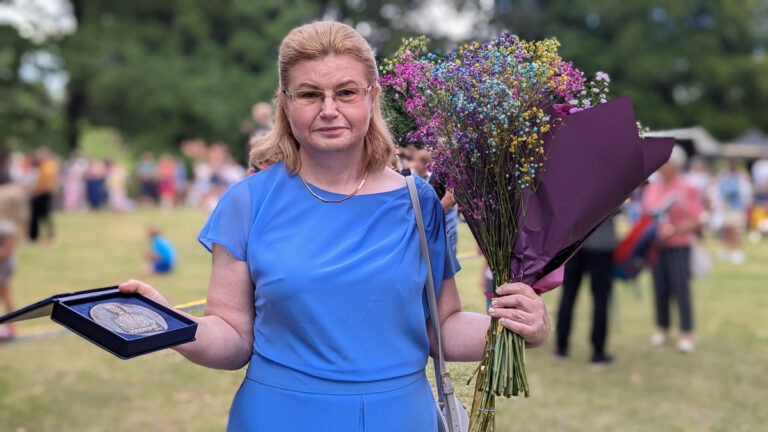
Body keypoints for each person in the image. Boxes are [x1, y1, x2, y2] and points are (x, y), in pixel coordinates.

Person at [119, 21, 550, 431]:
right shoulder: (247, 202)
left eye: (346, 92)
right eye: (309, 94)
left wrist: (513, 328)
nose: (329, 110)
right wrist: (167, 322)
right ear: (285, 102)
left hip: (399, 418)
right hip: (279, 418)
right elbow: (231, 337)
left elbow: (444, 326)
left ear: (372, 97)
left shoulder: (417, 202)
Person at [642, 146, 703, 353]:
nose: (662, 166)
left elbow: (697, 219)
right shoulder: (653, 187)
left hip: (679, 244)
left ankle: (686, 333)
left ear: (676, 165)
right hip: (657, 244)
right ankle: (663, 328)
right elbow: (647, 214)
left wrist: (675, 230)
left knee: (680, 288)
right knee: (660, 287)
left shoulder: (688, 187)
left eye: (667, 162)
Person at [555, 217, 617, 365]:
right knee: (600, 299)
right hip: (600, 244)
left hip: (576, 240)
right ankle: (598, 352)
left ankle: (561, 347)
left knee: (568, 295)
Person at [28, 147, 58, 243]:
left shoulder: (49, 166)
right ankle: (33, 236)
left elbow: (48, 183)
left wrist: (38, 191)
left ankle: (50, 236)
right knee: (35, 216)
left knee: (46, 216)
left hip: (44, 194)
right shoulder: (42, 166)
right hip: (39, 193)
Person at [0, 218, 17, 340]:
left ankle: (11, 327)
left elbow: (8, 247)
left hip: (4, 266)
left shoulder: (7, 227)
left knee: (5, 296)